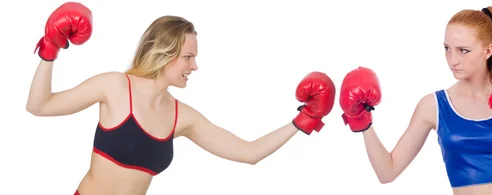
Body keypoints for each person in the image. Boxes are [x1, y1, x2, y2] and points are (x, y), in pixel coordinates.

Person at [26, 2, 336, 195]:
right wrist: (51, 48)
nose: (195, 66)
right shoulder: (115, 87)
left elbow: (248, 152)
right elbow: (39, 106)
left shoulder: (182, 117)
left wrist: (303, 120)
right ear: (164, 54)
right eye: (188, 57)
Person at [338, 6, 492, 195]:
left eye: (464, 50)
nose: (453, 60)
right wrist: (363, 121)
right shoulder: (434, 106)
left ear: (488, 50)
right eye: (447, 49)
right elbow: (387, 173)